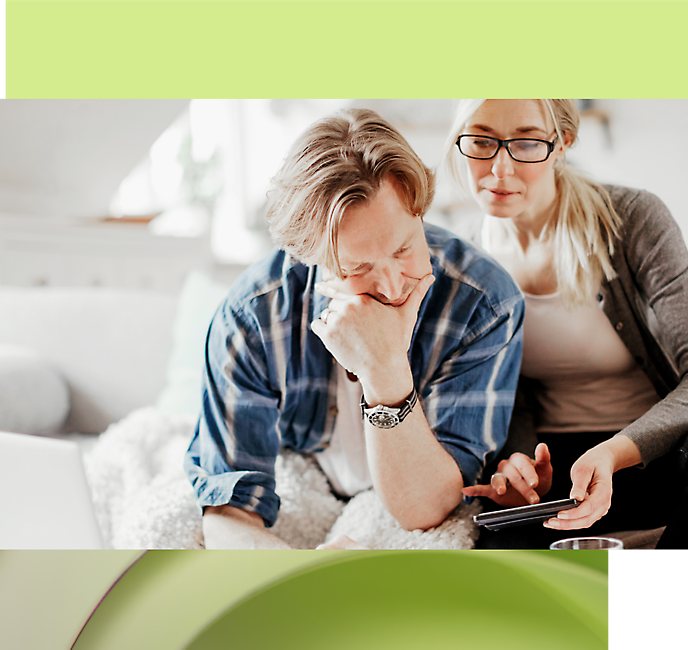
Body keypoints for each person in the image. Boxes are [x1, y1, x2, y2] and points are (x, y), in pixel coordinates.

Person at [184, 108, 524, 549]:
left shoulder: (484, 303)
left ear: (419, 212)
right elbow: (228, 512)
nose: (392, 285)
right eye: (358, 267)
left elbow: (426, 507)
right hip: (304, 488)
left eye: (404, 248)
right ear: (312, 259)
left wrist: (385, 368)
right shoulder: (253, 317)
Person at [447, 99, 688, 549]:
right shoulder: (465, 260)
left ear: (562, 143)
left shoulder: (634, 219)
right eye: (482, 141)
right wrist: (519, 464)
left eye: (527, 142)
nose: (501, 167)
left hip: (651, 452)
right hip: (560, 478)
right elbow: (504, 399)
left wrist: (614, 451)